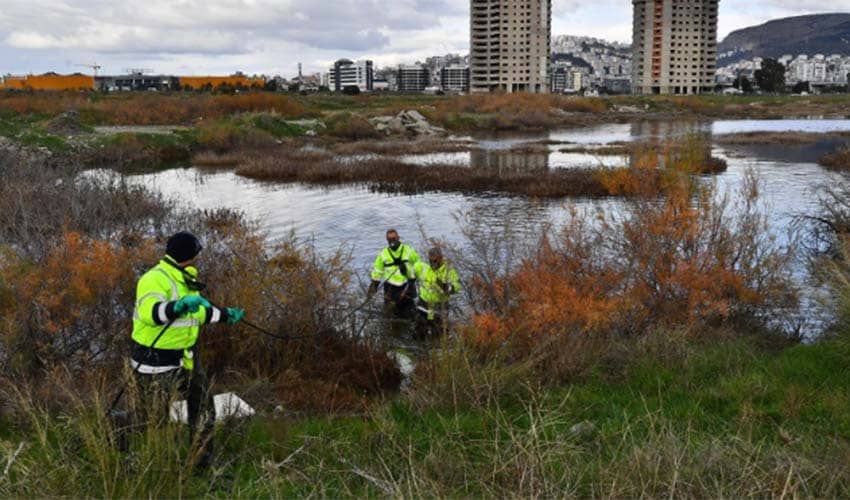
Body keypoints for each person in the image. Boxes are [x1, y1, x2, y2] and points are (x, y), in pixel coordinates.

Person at [129, 231, 244, 467]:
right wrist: (177, 306)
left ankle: (202, 460)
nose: (197, 259)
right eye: (196, 254)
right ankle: (156, 467)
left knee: (203, 408)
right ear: (190, 255)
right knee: (155, 419)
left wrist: (224, 315)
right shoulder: (154, 278)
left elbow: (197, 313)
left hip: (187, 360)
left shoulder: (186, 278)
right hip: (155, 364)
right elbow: (151, 313)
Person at [368, 229, 420, 318]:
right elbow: (378, 271)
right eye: (390, 239)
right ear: (387, 240)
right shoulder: (383, 254)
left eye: (394, 238)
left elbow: (418, 264)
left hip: (407, 285)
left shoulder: (408, 250)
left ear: (398, 238)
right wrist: (373, 286)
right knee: (390, 314)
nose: (392, 241)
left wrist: (411, 275)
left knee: (410, 314)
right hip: (391, 288)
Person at [413, 246, 460, 337]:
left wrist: (445, 286)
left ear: (441, 258)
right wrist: (404, 270)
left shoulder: (449, 271)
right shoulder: (423, 268)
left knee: (439, 334)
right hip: (423, 307)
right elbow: (410, 271)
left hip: (440, 308)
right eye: (430, 261)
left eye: (435, 261)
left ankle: (439, 349)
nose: (432, 263)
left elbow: (456, 287)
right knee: (418, 334)